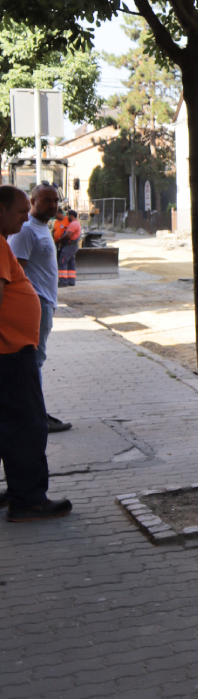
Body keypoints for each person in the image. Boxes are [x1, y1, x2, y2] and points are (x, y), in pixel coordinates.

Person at [0, 185, 72, 522]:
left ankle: (19, 492)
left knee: (9, 424)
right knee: (28, 425)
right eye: (19, 212)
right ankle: (28, 500)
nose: (23, 218)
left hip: (11, 349)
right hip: (10, 352)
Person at [8, 183, 71, 433]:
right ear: (33, 201)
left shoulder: (42, 228)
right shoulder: (26, 231)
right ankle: (36, 417)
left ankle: (35, 414)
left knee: (36, 361)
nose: (52, 205)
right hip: (36, 304)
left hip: (44, 303)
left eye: (55, 200)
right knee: (34, 362)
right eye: (46, 200)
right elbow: (15, 272)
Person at [53, 208, 82, 289]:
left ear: (71, 215)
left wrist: (60, 240)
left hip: (70, 245)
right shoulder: (75, 223)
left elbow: (69, 235)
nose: (67, 216)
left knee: (62, 261)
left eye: (68, 215)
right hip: (71, 245)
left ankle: (63, 281)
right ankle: (71, 281)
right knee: (71, 262)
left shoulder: (73, 224)